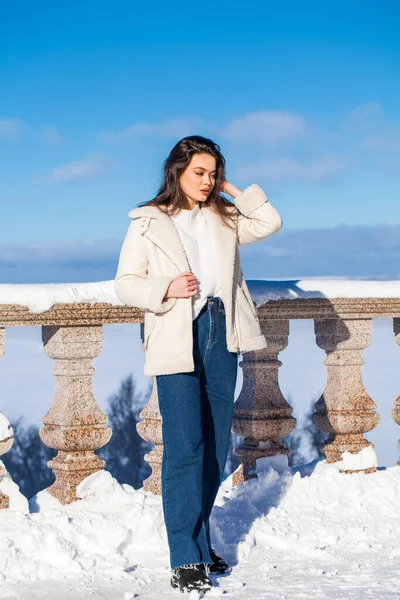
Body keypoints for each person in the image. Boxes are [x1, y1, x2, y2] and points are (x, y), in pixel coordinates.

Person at [114, 135, 282, 593]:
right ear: (177, 171)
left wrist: (231, 189)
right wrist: (164, 288)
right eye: (199, 173)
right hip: (175, 333)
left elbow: (269, 220)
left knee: (213, 447)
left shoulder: (225, 217)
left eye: (212, 173)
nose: (206, 182)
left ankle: (202, 546)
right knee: (185, 446)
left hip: (221, 329)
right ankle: (184, 558)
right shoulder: (148, 221)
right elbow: (125, 283)